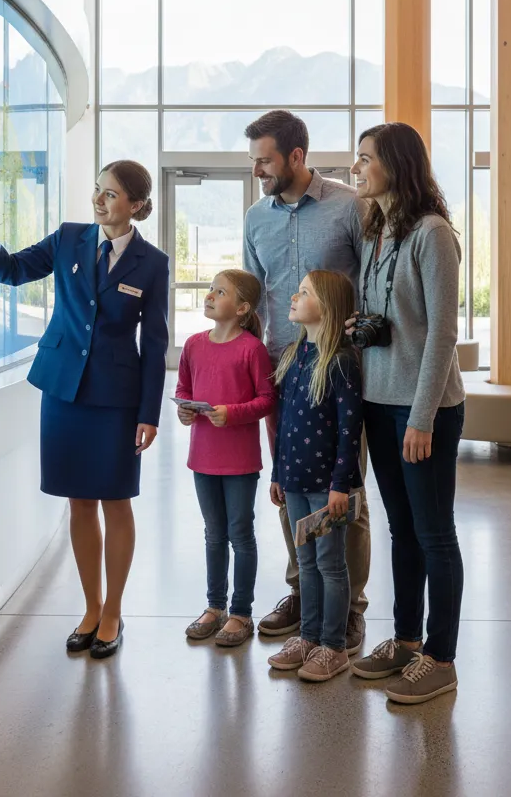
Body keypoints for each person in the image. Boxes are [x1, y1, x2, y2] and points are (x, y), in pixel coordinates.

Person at [0, 160, 169, 661]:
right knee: (78, 502)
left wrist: (149, 412)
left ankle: (113, 610)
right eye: (97, 190)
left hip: (116, 399)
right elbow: (11, 271)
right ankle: (90, 608)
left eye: (110, 194)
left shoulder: (152, 264)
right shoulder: (69, 238)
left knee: (116, 501)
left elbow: (155, 344)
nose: (98, 200)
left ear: (135, 205)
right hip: (63, 392)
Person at [242, 110, 372, 653]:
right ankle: (305, 593)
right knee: (290, 485)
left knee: (343, 493)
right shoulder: (256, 218)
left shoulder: (349, 207)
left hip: (338, 372)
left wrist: (358, 341)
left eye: (265, 160)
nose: (258, 171)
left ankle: (350, 606)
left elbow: (372, 288)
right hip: (281, 374)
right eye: (254, 161)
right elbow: (254, 295)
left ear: (296, 156)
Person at [345, 122, 466, 705]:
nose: (356, 167)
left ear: (395, 163)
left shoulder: (433, 234)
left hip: (425, 410)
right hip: (378, 401)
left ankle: (441, 658)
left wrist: (421, 418)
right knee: (401, 529)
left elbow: (443, 333)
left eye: (365, 158)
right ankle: (406, 639)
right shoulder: (376, 230)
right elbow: (389, 320)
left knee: (434, 532)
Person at [265, 270, 363, 683]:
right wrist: (277, 473)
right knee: (305, 564)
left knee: (330, 564)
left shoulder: (340, 361)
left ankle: (333, 646)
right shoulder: (293, 354)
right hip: (294, 481)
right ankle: (307, 637)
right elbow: (284, 422)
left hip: (327, 487)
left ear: (327, 307)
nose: (293, 296)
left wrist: (341, 485)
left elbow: (349, 429)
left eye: (304, 293)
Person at [176, 270, 275, 648]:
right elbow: (184, 388)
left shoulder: (252, 349)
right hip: (202, 456)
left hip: (240, 461)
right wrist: (185, 410)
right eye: (211, 290)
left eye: (221, 292)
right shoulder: (193, 345)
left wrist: (232, 413)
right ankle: (214, 607)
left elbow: (267, 399)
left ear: (242, 307)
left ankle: (241, 613)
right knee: (213, 534)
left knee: (240, 535)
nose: (210, 296)